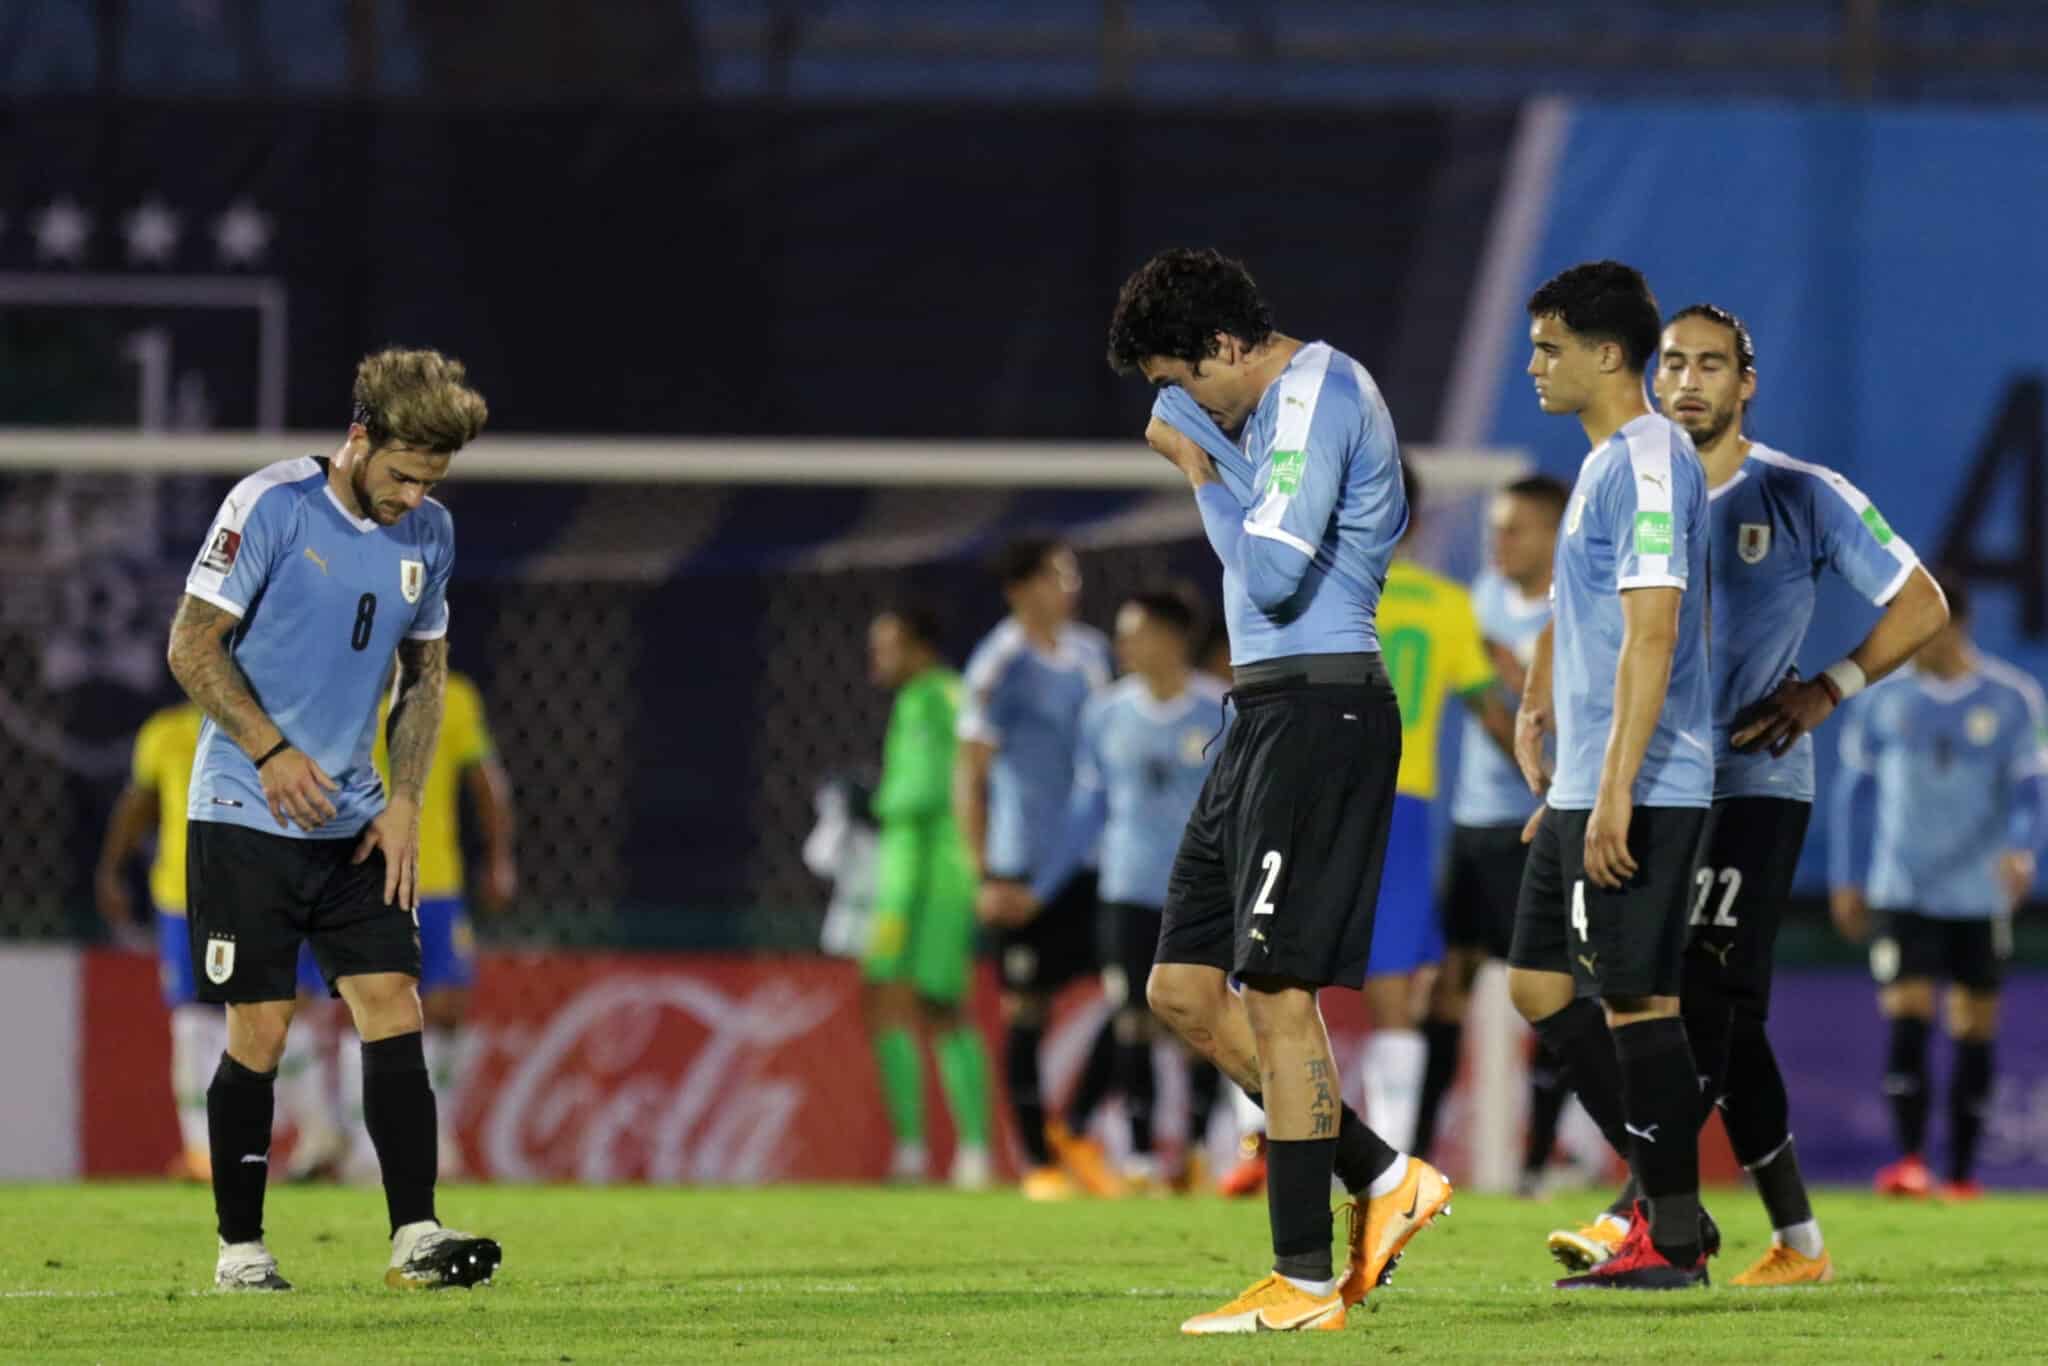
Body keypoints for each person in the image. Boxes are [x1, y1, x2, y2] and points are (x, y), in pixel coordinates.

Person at [1555, 304, 1945, 1285]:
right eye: (1674, 363)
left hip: (1752, 786)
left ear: (1745, 382)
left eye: (1711, 365)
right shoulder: (1633, 480)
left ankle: (1640, 1206)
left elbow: (1920, 602)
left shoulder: (1799, 494)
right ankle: (1797, 1238)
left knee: (1706, 1000)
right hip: (1652, 781)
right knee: (1702, 1010)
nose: (1688, 381)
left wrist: (1827, 687)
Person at [1112, 245, 1449, 1334]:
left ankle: (1303, 1281)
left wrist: (1196, 452)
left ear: (1223, 345)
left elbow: (1265, 575)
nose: (1178, 401)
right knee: (1178, 989)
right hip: (1258, 712)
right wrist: (1204, 437)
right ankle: (1382, 1174)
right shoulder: (1256, 412)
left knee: (1278, 991)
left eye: (1182, 377)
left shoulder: (1313, 396)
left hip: (1320, 709)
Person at [164, 347, 499, 1291]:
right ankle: (241, 1250)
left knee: (394, 1006)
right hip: (244, 806)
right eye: (400, 475)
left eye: (430, 480)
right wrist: (270, 751)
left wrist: (404, 804)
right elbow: (191, 646)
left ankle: (416, 1238)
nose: (411, 497)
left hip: (354, 819)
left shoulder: (431, 533)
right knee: (261, 1028)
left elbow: (425, 680)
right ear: (358, 439)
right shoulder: (270, 505)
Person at [1506, 261, 1713, 1290]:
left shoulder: (1644, 462)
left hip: (1644, 780)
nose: (1532, 364)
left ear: (1604, 354)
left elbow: (1651, 631)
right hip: (1585, 780)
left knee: (1635, 997)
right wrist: (1546, 726)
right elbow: (1582, 623)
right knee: (1536, 981)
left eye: (1547, 346)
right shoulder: (1600, 463)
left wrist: (1617, 787)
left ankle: (1668, 1236)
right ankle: (1655, 1185)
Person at [1829, 574, 2045, 1201]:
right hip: (1902, 886)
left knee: (1974, 1022)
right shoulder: (1881, 701)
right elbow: (1852, 794)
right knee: (1909, 1011)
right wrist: (1847, 875)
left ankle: (1961, 1175)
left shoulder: (2013, 699)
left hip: (1978, 891)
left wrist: (2023, 851)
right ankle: (1911, 1162)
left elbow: (2031, 789)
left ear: (1954, 623)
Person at [1026, 589, 1229, 1191]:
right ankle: (1140, 1158)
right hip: (1126, 888)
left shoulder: (1220, 711)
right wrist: (1043, 886)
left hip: (1199, 893)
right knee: (1129, 1018)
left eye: (1134, 632)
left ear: (1171, 640)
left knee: (1202, 1023)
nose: (1122, 646)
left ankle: (1192, 1154)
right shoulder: (1106, 714)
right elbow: (1088, 809)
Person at [1415, 475, 1576, 1189]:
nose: (1498, 542)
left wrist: (1516, 687)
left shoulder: (1576, 607)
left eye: (1514, 529)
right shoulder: (1474, 601)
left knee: (1550, 992)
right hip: (1474, 825)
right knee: (1446, 989)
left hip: (1539, 825)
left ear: (1551, 534)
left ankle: (1540, 1159)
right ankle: (1410, 1158)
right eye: (1495, 529)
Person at [1355, 463, 1515, 1155]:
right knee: (1393, 990)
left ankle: (1256, 1146)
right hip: (1404, 806)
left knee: (1274, 976)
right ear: (1416, 523)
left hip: (1316, 801)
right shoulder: (1449, 606)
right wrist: (1563, 780)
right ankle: (1390, 1164)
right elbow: (1492, 714)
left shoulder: (1323, 595)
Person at [953, 536, 1114, 1200]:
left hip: (1089, 858)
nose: (1068, 586)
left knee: (1145, 991)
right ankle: (1038, 1164)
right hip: (1020, 864)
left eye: (1071, 574)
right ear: (1021, 587)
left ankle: (1073, 1128)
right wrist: (983, 872)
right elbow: (971, 775)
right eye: (1056, 575)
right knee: (1026, 1008)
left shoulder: (1092, 656)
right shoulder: (999, 664)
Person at [333, 667, 519, 1182]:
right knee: (370, 1006)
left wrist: (500, 858)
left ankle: (435, 1139)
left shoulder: (453, 697)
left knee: (447, 1011)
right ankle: (366, 1150)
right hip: (362, 876)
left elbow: (486, 783)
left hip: (437, 880)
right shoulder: (342, 690)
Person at [860, 604, 994, 1190]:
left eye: (887, 646)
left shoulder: (944, 696)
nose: (878, 658)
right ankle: (913, 1151)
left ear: (919, 648)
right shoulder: (915, 701)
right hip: (903, 865)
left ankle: (972, 1151)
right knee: (886, 997)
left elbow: (970, 770)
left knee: (937, 1002)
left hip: (935, 869)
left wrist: (975, 858)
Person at [96, 700, 223, 1181]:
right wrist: (110, 869)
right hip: (181, 898)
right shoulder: (165, 734)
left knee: (265, 1020)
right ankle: (202, 1153)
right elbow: (139, 804)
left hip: (257, 893)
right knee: (193, 1023)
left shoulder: (274, 724)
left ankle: (306, 1140)